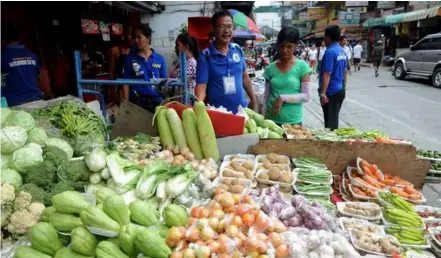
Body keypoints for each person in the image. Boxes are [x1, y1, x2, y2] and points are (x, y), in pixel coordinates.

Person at [195, 10, 257, 114]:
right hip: (220, 114)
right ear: (212, 29)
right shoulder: (206, 56)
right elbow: (201, 85)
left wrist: (253, 98)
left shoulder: (237, 49)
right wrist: (199, 108)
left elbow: (244, 76)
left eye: (229, 26)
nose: (226, 30)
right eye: (222, 26)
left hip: (242, 111)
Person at [262, 26, 311, 126]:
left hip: (293, 122)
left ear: (296, 45)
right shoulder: (270, 68)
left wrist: (283, 98)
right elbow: (266, 95)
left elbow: (306, 97)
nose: (284, 50)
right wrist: (263, 114)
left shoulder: (302, 67)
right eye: (282, 46)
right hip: (271, 121)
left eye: (289, 46)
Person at [122, 24, 167, 113]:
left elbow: (164, 83)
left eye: (139, 37)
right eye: (134, 38)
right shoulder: (130, 59)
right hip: (139, 102)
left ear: (148, 38)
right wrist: (126, 105)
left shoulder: (159, 59)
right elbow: (125, 83)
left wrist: (166, 102)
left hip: (158, 101)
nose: (136, 41)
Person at [1, 23, 42, 106]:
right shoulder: (32, 55)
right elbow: (38, 77)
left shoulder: (3, 58)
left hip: (15, 103)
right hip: (36, 99)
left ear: (3, 40)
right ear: (19, 39)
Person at [319, 25, 348, 130]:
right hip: (340, 89)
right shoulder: (341, 51)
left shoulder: (330, 51)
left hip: (331, 92)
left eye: (324, 36)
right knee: (333, 120)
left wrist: (322, 93)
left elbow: (327, 74)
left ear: (328, 37)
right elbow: (345, 71)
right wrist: (344, 88)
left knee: (330, 125)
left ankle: (331, 145)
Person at [169, 32, 200, 97]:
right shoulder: (183, 62)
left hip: (187, 101)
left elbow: (184, 83)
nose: (176, 48)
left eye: (178, 45)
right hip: (180, 99)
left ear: (186, 47)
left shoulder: (191, 63)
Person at [108, 25, 133, 103]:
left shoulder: (136, 50)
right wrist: (113, 92)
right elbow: (111, 71)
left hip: (134, 85)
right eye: (128, 34)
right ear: (123, 35)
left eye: (132, 34)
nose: (130, 36)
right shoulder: (115, 50)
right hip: (120, 86)